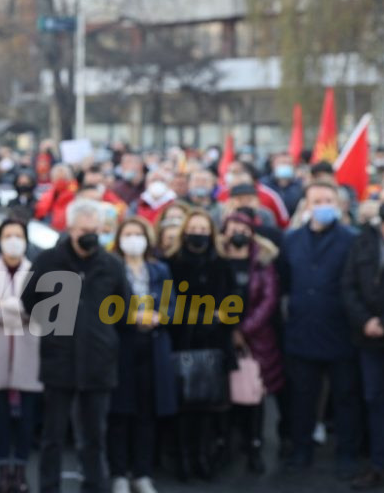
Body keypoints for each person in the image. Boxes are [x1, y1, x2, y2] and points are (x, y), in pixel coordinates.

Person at [21, 199, 130, 493]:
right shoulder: (48, 261)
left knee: (94, 437)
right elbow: (29, 300)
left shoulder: (112, 264)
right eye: (85, 229)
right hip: (59, 359)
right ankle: (48, 488)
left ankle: (95, 487)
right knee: (52, 436)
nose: (91, 234)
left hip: (98, 361)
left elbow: (125, 308)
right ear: (70, 229)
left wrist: (103, 337)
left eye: (96, 229)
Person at [279, 181, 360, 479]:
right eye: (317, 200)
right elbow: (284, 280)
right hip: (302, 330)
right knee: (302, 397)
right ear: (307, 205)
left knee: (345, 397)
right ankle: (301, 450)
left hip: (341, 331)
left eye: (329, 199)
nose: (323, 205)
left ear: (338, 204)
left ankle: (347, 453)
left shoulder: (352, 239)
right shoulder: (292, 240)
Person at [165, 209, 236, 481]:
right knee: (183, 405)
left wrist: (220, 317)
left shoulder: (221, 264)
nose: (199, 234)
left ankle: (202, 457)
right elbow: (165, 304)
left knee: (208, 405)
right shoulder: (171, 263)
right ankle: (183, 458)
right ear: (184, 231)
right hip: (181, 341)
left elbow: (234, 303)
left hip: (214, 342)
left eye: (204, 229)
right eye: (194, 228)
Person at [108, 217, 177, 493]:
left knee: (146, 412)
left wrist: (159, 316)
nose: (133, 238)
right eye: (128, 233)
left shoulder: (160, 269)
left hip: (153, 345)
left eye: (138, 234)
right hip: (122, 345)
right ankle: (119, 473)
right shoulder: (112, 268)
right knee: (120, 411)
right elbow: (105, 307)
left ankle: (142, 472)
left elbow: (173, 305)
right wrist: (131, 316)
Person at [0, 219, 42, 493]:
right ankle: (3, 470)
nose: (13, 240)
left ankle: (21, 470)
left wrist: (4, 306)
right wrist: (20, 308)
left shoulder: (37, 271)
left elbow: (39, 311)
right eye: (8, 235)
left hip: (30, 352)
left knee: (28, 416)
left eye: (18, 235)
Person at [342, 181, 384, 489]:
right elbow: (348, 284)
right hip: (367, 339)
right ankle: (379, 465)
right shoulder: (364, 239)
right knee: (374, 401)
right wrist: (365, 320)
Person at [220, 212, 283, 474]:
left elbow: (269, 300)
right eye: (232, 226)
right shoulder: (218, 258)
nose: (237, 231)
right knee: (225, 394)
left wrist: (244, 330)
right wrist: (226, 328)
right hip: (221, 336)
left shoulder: (262, 262)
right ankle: (226, 446)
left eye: (243, 227)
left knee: (253, 394)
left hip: (255, 340)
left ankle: (254, 446)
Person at [34, 164, 78, 231]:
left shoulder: (74, 193)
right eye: (57, 177)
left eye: (63, 178)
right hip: (47, 227)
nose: (60, 180)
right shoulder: (48, 194)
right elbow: (40, 211)